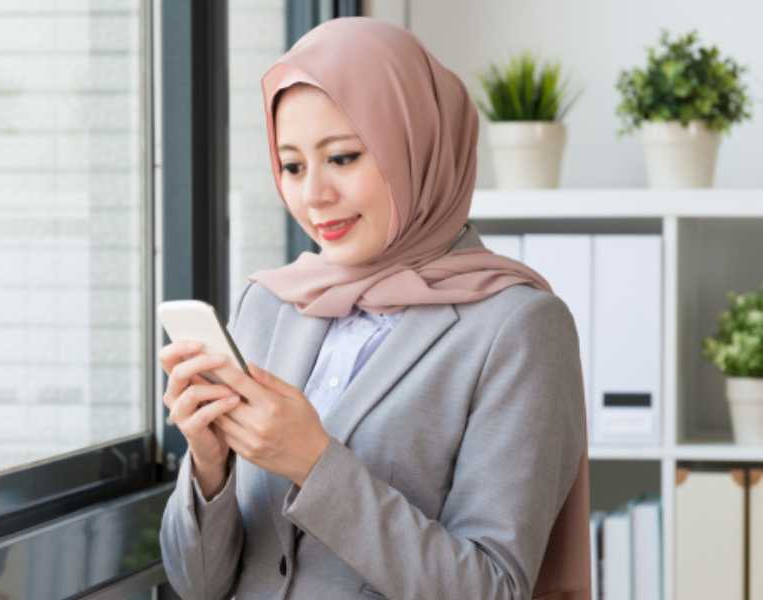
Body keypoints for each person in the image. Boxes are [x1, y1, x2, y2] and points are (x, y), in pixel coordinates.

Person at [159, 16, 590, 600]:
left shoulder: (519, 327)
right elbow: (197, 586)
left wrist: (315, 464)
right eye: (292, 166)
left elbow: (492, 588)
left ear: (415, 147)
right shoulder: (269, 303)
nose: (314, 196)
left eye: (342, 157)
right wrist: (210, 469)